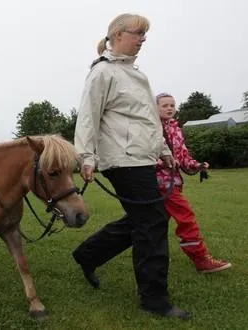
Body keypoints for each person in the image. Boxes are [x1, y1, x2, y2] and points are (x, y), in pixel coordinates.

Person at [73, 13, 190, 319]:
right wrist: (86, 156)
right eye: (138, 34)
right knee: (152, 222)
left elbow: (149, 119)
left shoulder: (136, 75)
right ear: (118, 34)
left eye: (144, 36)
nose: (142, 40)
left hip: (142, 156)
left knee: (145, 218)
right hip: (122, 159)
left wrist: (163, 149)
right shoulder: (102, 73)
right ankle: (154, 299)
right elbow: (88, 115)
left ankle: (88, 254)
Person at [156, 92, 231, 273]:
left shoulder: (176, 129)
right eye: (164, 105)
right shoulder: (150, 128)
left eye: (172, 105)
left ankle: (156, 256)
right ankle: (201, 259)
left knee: (153, 223)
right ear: (154, 108)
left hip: (173, 183)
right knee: (186, 218)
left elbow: (182, 157)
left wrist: (197, 165)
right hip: (161, 184)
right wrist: (162, 162)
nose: (169, 108)